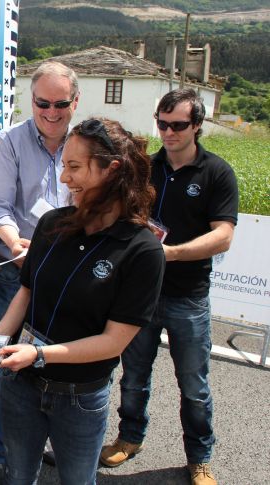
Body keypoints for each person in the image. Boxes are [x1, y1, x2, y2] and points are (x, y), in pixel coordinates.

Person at [0, 118, 165, 484]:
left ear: (113, 170)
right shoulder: (52, 224)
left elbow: (113, 342)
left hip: (80, 398)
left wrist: (42, 354)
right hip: (22, 386)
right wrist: (0, 331)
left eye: (75, 168)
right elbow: (27, 291)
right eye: (64, 166)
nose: (64, 179)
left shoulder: (141, 250)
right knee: (18, 476)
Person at [100, 89, 239, 485]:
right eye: (162, 124)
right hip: (140, 295)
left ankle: (199, 458)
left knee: (194, 387)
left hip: (188, 297)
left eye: (178, 125)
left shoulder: (217, 172)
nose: (168, 132)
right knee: (133, 377)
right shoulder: (147, 167)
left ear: (197, 125)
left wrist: (172, 254)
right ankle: (130, 438)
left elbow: (223, 236)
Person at [0, 60, 79, 484]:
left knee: (55, 365)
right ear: (30, 101)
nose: (51, 112)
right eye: (42, 103)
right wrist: (13, 240)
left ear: (76, 102)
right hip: (15, 268)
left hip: (70, 272)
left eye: (61, 104)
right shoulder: (8, 142)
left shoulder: (88, 143)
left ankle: (37, 443)